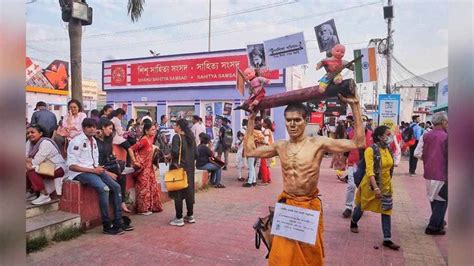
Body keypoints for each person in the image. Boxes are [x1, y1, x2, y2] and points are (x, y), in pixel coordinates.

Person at [244, 93, 364, 264]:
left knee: (308, 258)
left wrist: (355, 106)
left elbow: (358, 143)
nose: (292, 125)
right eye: (288, 120)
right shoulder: (281, 146)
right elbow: (250, 152)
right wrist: (251, 119)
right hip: (288, 206)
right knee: (281, 257)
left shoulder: (318, 143)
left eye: (297, 120)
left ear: (306, 121)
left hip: (308, 208)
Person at [67, 118, 133, 235]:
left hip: (95, 169)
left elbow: (96, 162)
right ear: (83, 128)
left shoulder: (94, 141)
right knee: (104, 189)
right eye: (89, 127)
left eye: (94, 126)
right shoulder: (76, 141)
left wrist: (103, 171)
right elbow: (72, 166)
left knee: (116, 187)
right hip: (81, 173)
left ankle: (118, 221)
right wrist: (93, 170)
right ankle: (107, 225)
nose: (92, 129)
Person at [351, 125, 400, 250]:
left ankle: (387, 239)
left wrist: (386, 185)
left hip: (386, 186)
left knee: (386, 210)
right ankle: (354, 221)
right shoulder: (370, 150)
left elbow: (390, 168)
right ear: (379, 137)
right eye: (388, 134)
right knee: (362, 206)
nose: (390, 137)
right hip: (371, 186)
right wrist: (376, 188)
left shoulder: (387, 149)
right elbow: (370, 171)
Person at [414, 112, 448, 235]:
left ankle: (438, 222)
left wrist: (428, 158)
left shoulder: (426, 135)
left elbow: (417, 153)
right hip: (442, 174)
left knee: (434, 198)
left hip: (428, 172)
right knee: (442, 200)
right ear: (443, 122)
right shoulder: (446, 137)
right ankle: (433, 226)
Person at [95, 119, 131, 213]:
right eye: (110, 128)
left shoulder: (108, 139)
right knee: (117, 182)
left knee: (121, 175)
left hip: (107, 164)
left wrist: (113, 155)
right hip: (98, 167)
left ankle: (122, 202)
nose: (111, 131)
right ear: (103, 127)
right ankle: (120, 205)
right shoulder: (94, 140)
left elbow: (111, 152)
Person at [26, 124, 66, 205]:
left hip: (58, 169)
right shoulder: (29, 143)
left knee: (31, 168)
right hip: (44, 167)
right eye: (28, 133)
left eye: (32, 132)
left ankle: (44, 195)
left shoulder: (46, 143)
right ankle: (32, 192)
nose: (30, 135)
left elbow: (35, 161)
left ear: (40, 133)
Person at [129, 121, 164, 215]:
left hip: (149, 167)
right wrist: (135, 161)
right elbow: (131, 149)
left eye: (155, 129)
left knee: (152, 186)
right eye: (152, 130)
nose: (154, 131)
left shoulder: (151, 138)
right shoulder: (144, 140)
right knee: (143, 188)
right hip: (143, 167)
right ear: (146, 131)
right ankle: (142, 209)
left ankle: (152, 207)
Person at [169, 119, 198, 227]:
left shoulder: (177, 137)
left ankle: (179, 218)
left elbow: (175, 152)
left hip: (179, 168)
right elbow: (196, 154)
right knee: (189, 192)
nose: (174, 127)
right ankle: (190, 215)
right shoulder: (191, 138)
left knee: (178, 193)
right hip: (190, 169)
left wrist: (169, 155)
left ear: (179, 126)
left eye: (175, 125)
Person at [243, 122, 265, 188]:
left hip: (251, 150)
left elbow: (262, 138)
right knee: (252, 166)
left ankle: (250, 182)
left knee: (251, 166)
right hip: (251, 150)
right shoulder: (251, 132)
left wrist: (257, 140)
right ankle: (254, 181)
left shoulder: (253, 132)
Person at [260, 118, 275, 184]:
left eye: (263, 122)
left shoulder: (266, 131)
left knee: (263, 165)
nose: (262, 124)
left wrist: (260, 140)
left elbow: (266, 141)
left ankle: (265, 180)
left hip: (266, 149)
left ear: (266, 124)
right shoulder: (269, 130)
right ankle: (268, 179)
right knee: (266, 165)